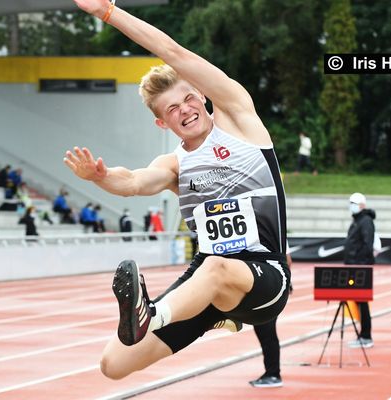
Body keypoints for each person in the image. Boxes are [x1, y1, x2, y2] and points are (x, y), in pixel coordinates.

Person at [65, 0, 290, 380]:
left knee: (216, 267)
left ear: (202, 95)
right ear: (161, 123)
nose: (185, 110)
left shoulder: (238, 119)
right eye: (172, 110)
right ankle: (210, 317)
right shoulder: (174, 165)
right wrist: (99, 176)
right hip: (208, 284)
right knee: (113, 365)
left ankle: (151, 314)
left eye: (188, 98)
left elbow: (173, 52)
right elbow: (134, 182)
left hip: (265, 277)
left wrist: (109, 14)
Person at [249, 250, 293, 388]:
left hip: (268, 286)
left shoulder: (268, 233)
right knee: (265, 331)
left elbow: (288, 258)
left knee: (267, 332)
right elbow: (288, 258)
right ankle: (272, 372)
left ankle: (273, 374)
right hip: (269, 284)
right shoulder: (274, 233)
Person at [344, 192, 375, 349]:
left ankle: (366, 335)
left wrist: (358, 264)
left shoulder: (366, 221)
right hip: (354, 266)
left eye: (354, 203)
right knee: (357, 301)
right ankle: (363, 334)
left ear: (362, 205)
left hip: (360, 268)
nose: (351, 206)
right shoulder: (357, 221)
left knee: (362, 302)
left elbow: (367, 245)